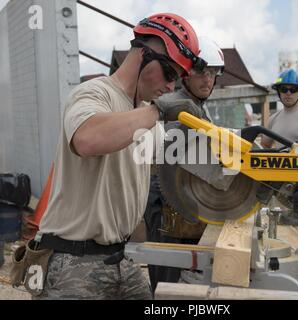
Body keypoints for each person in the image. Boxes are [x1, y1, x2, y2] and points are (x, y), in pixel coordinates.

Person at [31, 13, 206, 300]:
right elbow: (87, 139)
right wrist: (158, 110)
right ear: (144, 55)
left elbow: (184, 162)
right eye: (171, 74)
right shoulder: (94, 94)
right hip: (74, 260)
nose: (172, 87)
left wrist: (241, 161)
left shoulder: (148, 115)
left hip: (121, 257)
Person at [144, 36, 225, 294]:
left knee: (185, 281)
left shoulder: (199, 106)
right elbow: (179, 162)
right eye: (201, 71)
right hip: (167, 206)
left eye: (213, 73)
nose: (207, 79)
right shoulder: (177, 107)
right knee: (168, 283)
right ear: (186, 73)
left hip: (186, 201)